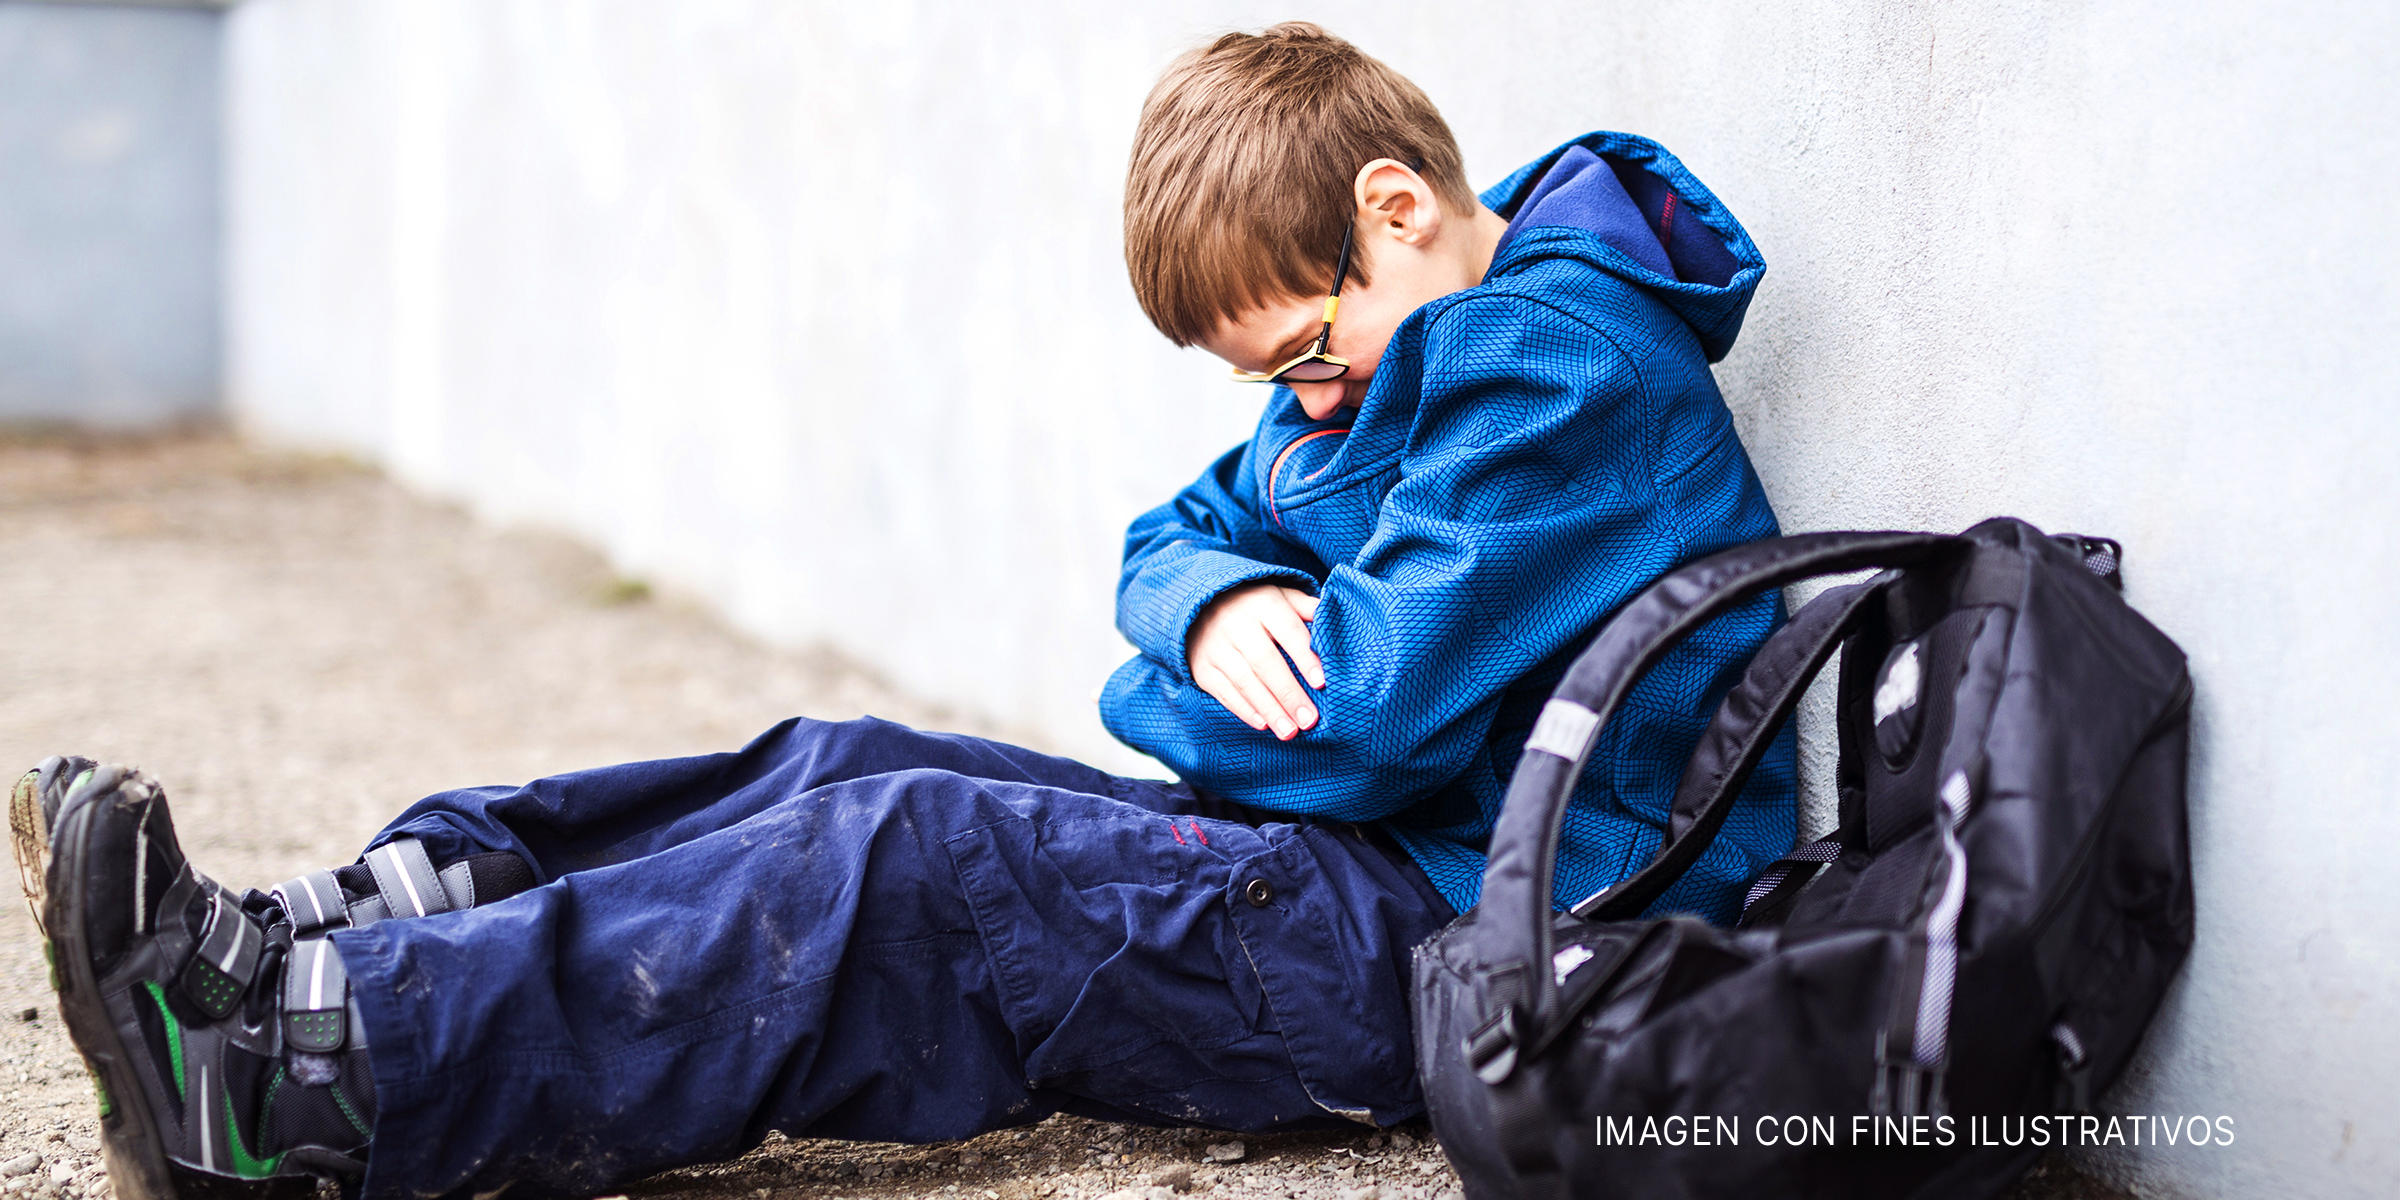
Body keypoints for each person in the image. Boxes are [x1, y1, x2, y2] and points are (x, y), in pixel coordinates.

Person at [16, 22, 1795, 1200]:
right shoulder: (1397, 346)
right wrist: (1200, 616)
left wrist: (1156, 687)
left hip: (1453, 946)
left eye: (1302, 357)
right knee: (843, 759)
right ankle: (323, 939)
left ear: (1393, 213)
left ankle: (293, 1088)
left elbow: (1356, 722)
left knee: (913, 867)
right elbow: (1175, 532)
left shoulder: (1554, 371)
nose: (1301, 407)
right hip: (1372, 851)